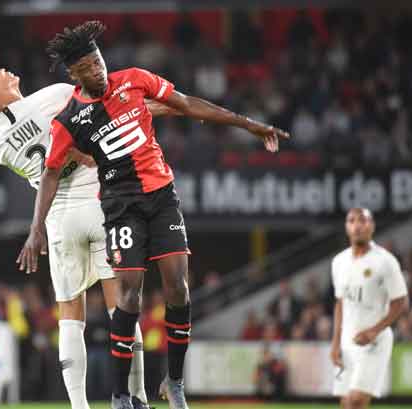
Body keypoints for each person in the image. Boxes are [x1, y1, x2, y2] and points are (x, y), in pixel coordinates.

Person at [17, 20, 289, 409]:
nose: (99, 69)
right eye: (88, 67)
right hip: (120, 206)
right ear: (74, 75)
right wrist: (35, 229)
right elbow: (50, 174)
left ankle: (174, 383)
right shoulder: (69, 120)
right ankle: (120, 396)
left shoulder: (134, 80)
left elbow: (187, 104)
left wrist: (248, 124)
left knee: (178, 287)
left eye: (99, 60)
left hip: (162, 197)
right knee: (129, 296)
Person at [0, 63, 179, 409]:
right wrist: (166, 105)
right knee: (121, 306)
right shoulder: (56, 95)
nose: (2, 69)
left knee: (69, 315)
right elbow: (107, 119)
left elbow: (48, 165)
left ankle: (78, 406)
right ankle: (136, 399)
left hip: (59, 221)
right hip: (100, 204)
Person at [330, 208, 409, 409]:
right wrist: (335, 342)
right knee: (346, 403)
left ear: (372, 226)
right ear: (346, 227)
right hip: (348, 341)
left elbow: (401, 302)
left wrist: (374, 331)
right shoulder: (339, 262)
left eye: (363, 220)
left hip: (375, 342)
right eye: (352, 221)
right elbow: (340, 303)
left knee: (356, 401)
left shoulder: (385, 261)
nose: (358, 225)